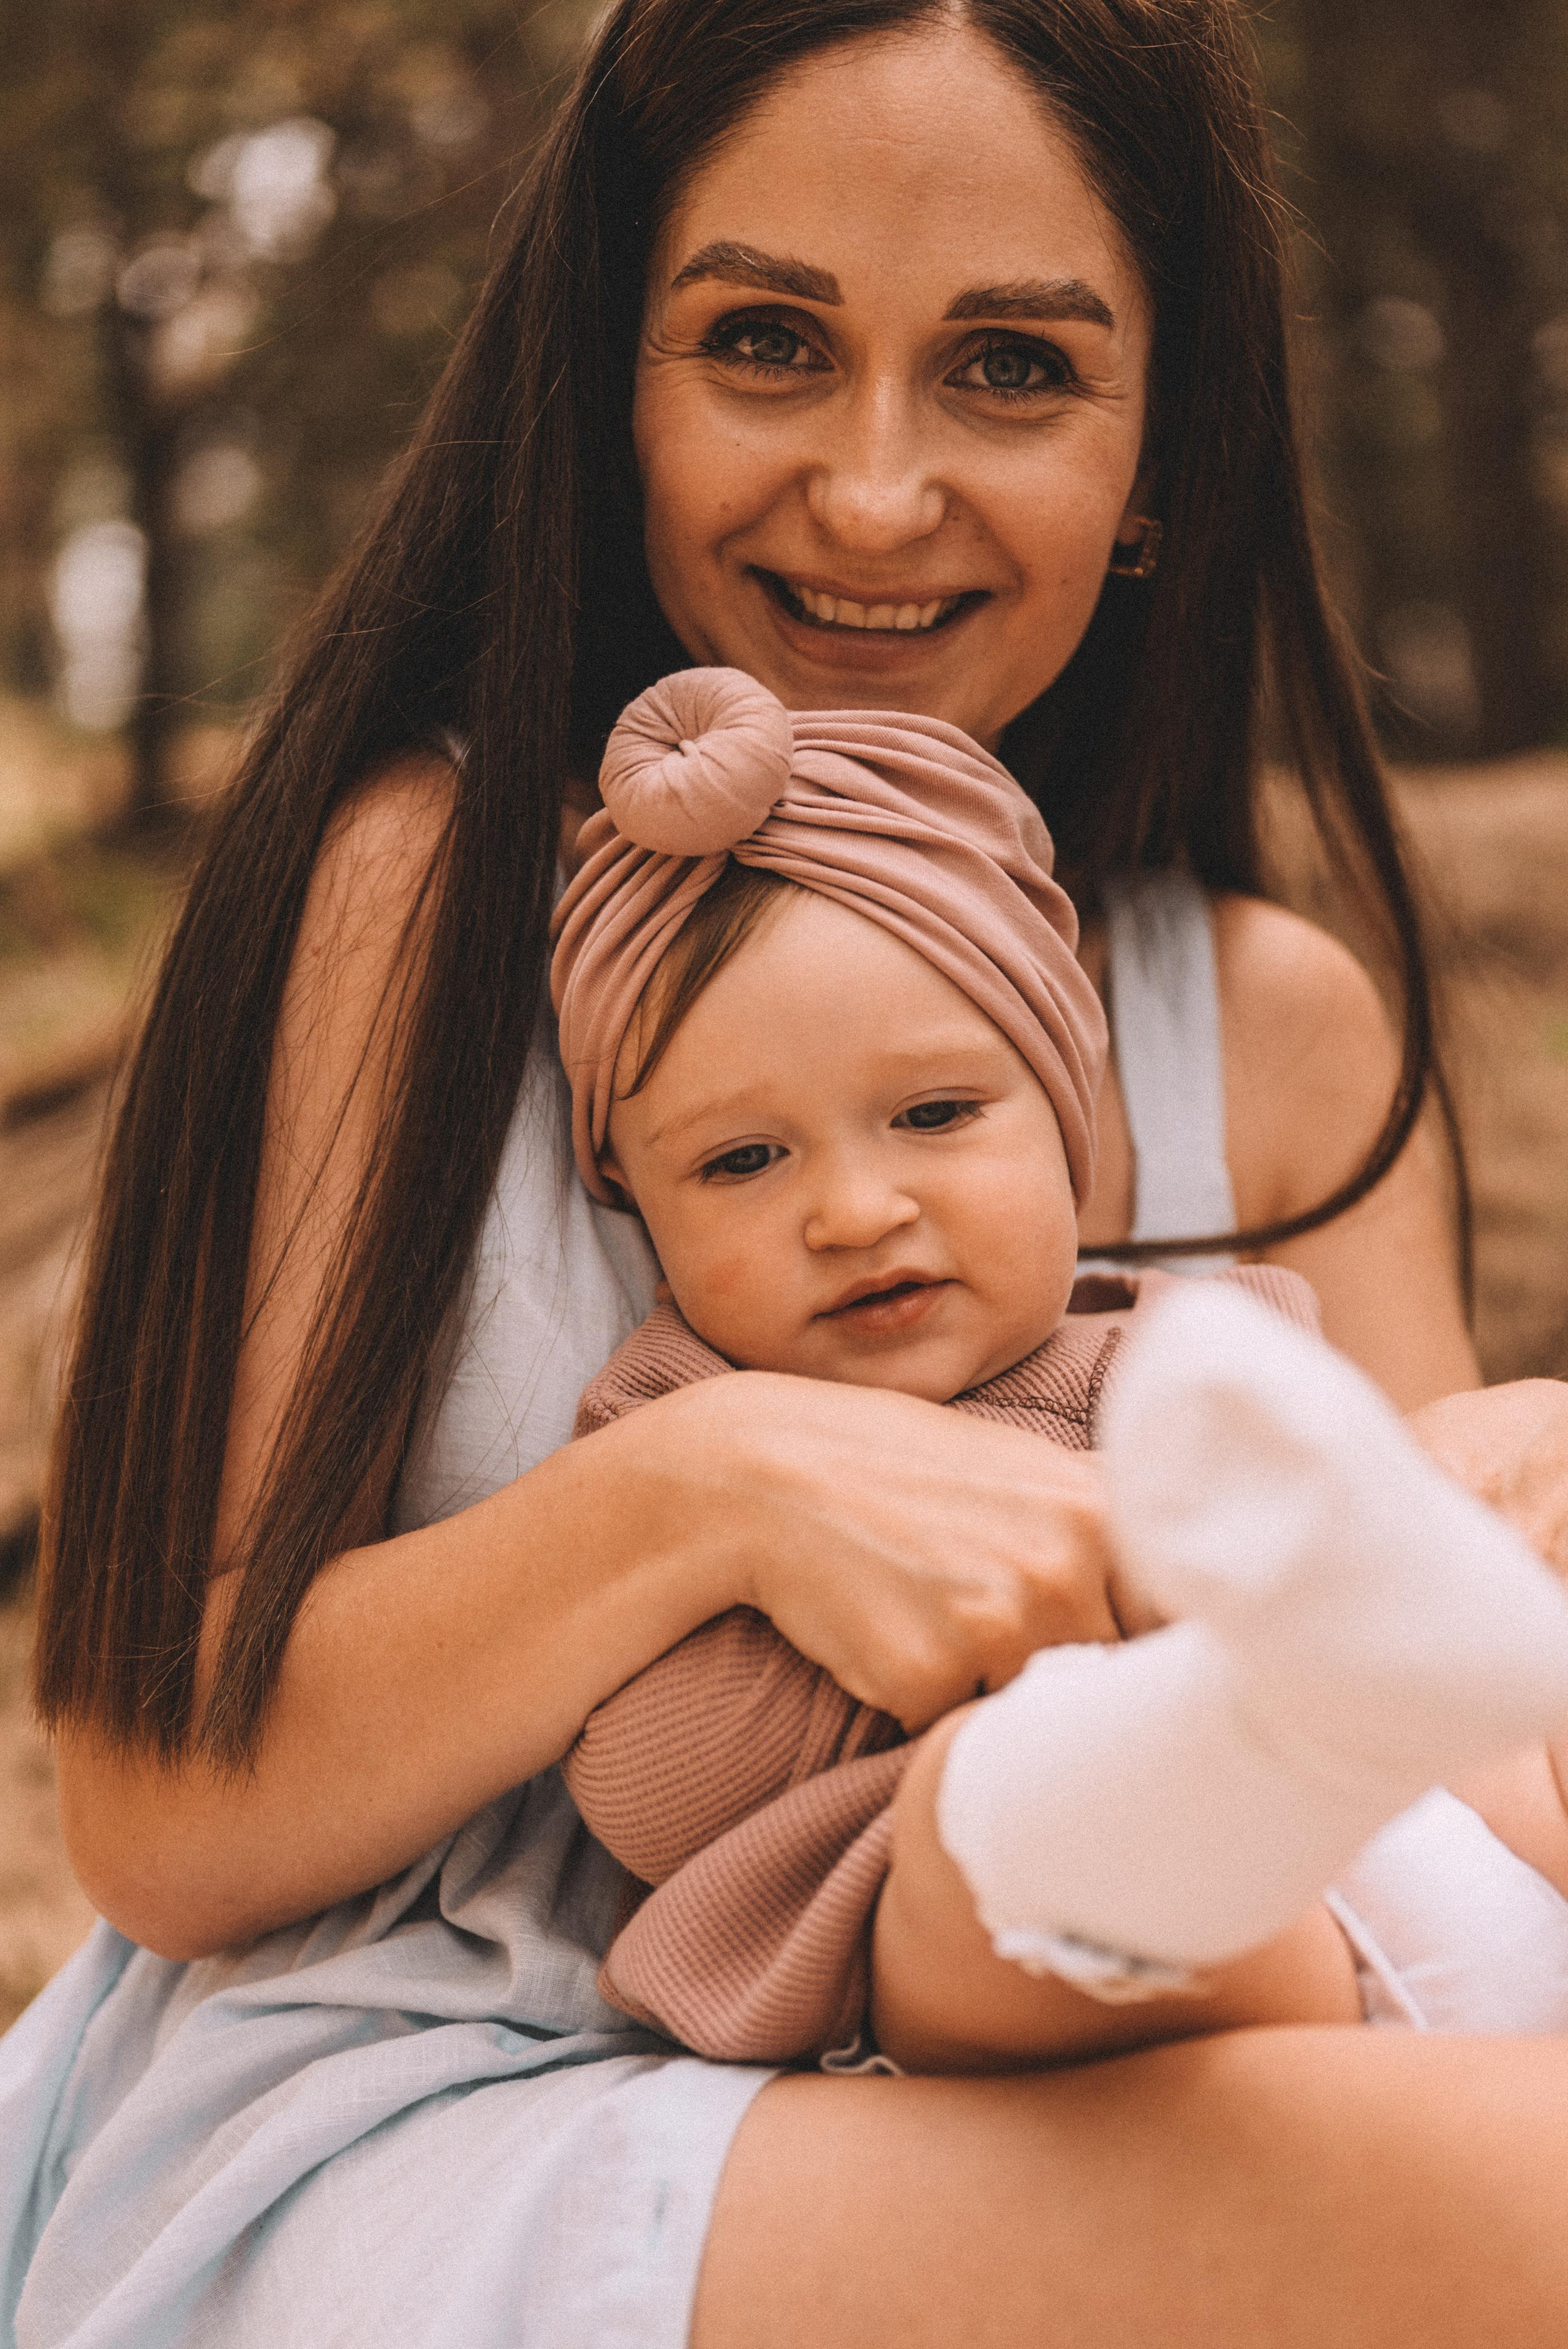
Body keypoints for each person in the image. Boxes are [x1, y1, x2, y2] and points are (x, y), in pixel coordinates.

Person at [7, 2, 1568, 2344]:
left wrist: (1505, 1513)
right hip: (456, 2093)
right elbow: (159, 1811)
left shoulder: (1279, 1019)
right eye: (764, 341)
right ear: (610, 386)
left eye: (1014, 370)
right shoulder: (422, 900)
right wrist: (716, 1483)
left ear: (1163, 448)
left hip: (1173, 2031)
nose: (869, 491)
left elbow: (1473, 1765)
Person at [549, 666, 1568, 2073]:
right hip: (1130, 1963)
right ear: (644, 1221)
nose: (852, 1210)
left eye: (930, 1114)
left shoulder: (1207, 1357)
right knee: (996, 1813)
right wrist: (942, 1636)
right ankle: (1261, 1736)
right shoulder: (677, 1429)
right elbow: (647, 1790)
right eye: (741, 1160)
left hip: (1478, 1880)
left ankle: (1336, 1710)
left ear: (1063, 1121)